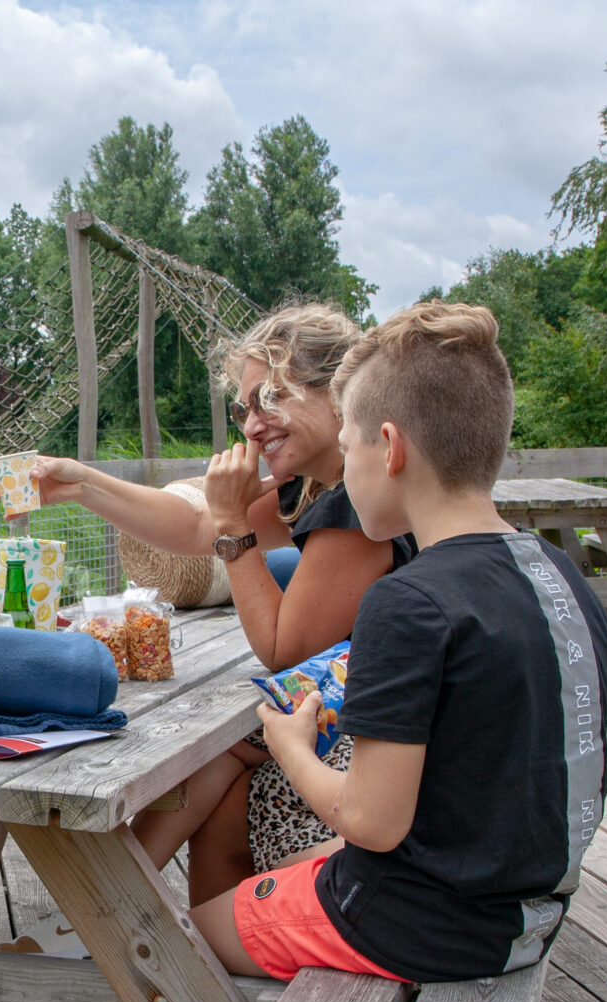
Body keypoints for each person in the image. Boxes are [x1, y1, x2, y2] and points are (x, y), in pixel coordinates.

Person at [71, 301, 607, 1002]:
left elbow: (370, 817)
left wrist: (287, 744)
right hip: (530, 905)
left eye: (355, 445)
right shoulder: (562, 576)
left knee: (172, 944)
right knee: (261, 865)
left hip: (432, 917)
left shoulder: (413, 599)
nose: (343, 478)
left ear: (390, 446)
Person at [31, 302, 414, 906]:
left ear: (337, 394)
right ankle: (112, 924)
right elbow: (195, 527)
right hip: (357, 718)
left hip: (384, 756)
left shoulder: (355, 502)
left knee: (210, 762)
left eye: (271, 399)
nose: (252, 425)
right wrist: (84, 484)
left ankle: (107, 920)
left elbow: (284, 648)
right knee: (216, 771)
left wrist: (235, 523)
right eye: (244, 408)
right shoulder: (318, 479)